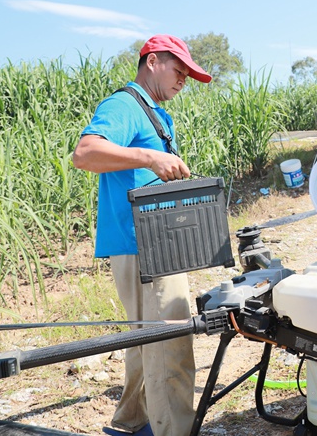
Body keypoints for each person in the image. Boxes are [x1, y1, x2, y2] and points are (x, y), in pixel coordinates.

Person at [72, 34, 212, 436]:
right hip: (143, 244)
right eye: (179, 69)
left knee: (144, 338)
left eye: (188, 74)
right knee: (171, 343)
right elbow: (85, 153)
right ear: (152, 61)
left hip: (151, 241)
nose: (184, 79)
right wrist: (151, 156)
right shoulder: (124, 105)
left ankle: (131, 423)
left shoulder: (152, 112)